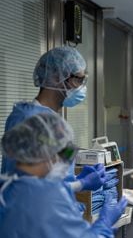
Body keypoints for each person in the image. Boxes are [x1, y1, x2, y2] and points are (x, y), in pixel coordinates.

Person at [0, 113, 127, 238]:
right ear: (46, 152)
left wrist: (79, 184)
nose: (64, 162)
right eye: (65, 153)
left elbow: (33, 204)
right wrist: (105, 224)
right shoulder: (48, 197)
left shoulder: (8, 187)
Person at [1, 46, 104, 193]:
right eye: (78, 79)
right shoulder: (29, 121)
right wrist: (81, 184)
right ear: (56, 77)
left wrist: (75, 177)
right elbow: (29, 186)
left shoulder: (53, 120)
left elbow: (53, 171)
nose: (81, 87)